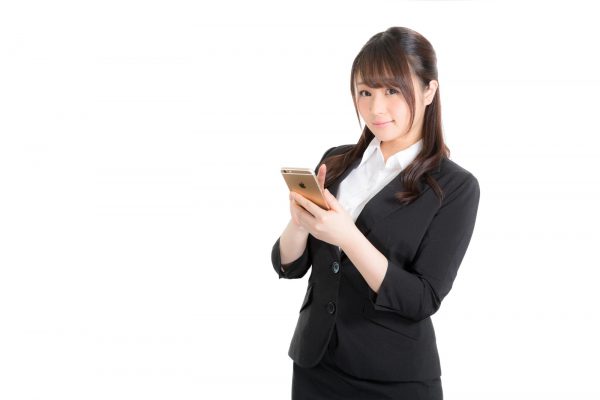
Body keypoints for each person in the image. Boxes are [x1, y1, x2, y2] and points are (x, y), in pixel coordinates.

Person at [270, 26, 480, 400]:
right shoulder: (336, 162)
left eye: (392, 91)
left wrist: (347, 236)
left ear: (429, 91)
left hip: (392, 377)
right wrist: (299, 223)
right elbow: (289, 266)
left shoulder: (454, 186)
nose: (375, 108)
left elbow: (421, 299)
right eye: (365, 92)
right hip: (315, 366)